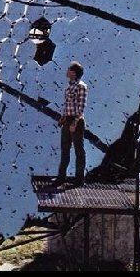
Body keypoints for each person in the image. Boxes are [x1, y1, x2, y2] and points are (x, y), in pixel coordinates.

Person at [54, 60, 87, 188]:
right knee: (65, 149)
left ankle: (79, 180)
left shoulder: (81, 86)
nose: (67, 71)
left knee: (79, 151)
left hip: (76, 122)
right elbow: (68, 105)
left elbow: (80, 107)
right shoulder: (69, 87)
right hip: (67, 120)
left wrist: (74, 122)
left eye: (69, 69)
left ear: (74, 73)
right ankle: (61, 178)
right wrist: (63, 117)